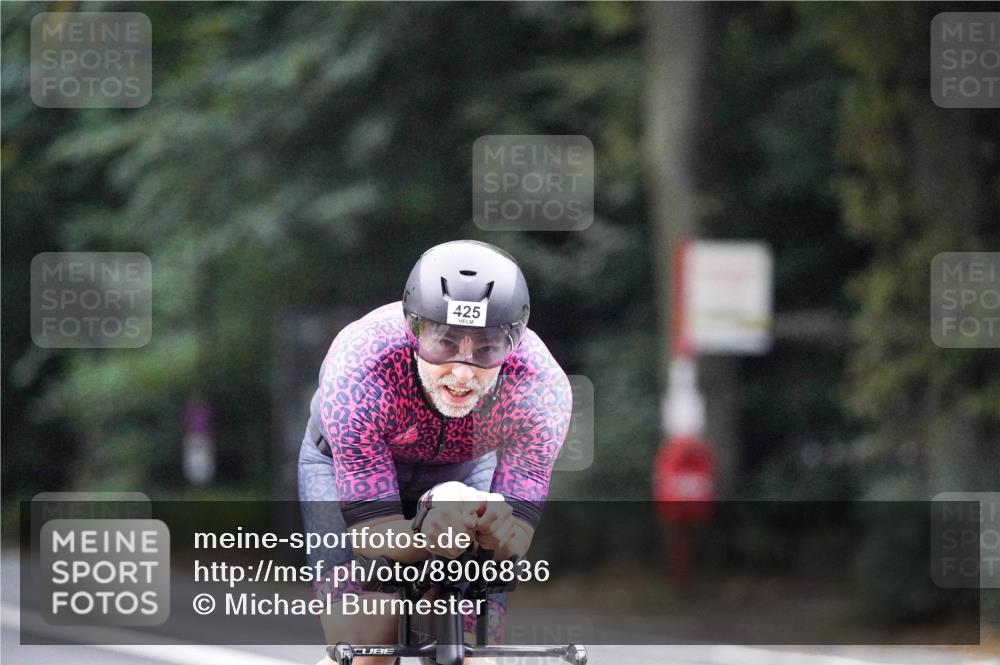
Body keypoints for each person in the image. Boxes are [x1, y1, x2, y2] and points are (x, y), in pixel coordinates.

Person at [298, 240, 572, 665]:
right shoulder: (361, 365)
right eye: (444, 343)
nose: (462, 373)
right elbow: (373, 536)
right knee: (369, 646)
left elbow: (512, 545)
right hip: (340, 466)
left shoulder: (539, 390)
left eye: (485, 349)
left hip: (463, 471)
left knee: (476, 650)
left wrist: (492, 534)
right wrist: (428, 533)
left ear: (513, 345)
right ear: (414, 329)